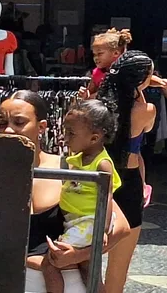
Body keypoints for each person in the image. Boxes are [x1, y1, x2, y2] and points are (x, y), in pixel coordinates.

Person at [3, 92, 130, 293]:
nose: (8, 130)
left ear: (41, 127)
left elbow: (121, 228)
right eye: (1, 122)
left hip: (66, 282)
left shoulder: (69, 168)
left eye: (19, 122)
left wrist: (78, 256)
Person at [39, 100, 122, 293]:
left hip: (90, 222)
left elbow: (107, 197)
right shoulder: (76, 159)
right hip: (77, 221)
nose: (64, 138)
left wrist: (102, 228)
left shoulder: (102, 165)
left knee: (51, 262)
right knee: (88, 269)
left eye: (71, 133)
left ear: (94, 138)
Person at [94, 50, 158, 293]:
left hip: (98, 181)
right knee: (118, 269)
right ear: (142, 80)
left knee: (86, 258)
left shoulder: (97, 108)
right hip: (128, 184)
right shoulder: (146, 110)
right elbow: (146, 131)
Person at [82, 28, 131, 97]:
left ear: (116, 53)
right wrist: (85, 95)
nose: (96, 58)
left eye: (99, 54)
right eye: (94, 54)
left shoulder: (128, 71)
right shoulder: (97, 73)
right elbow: (89, 94)